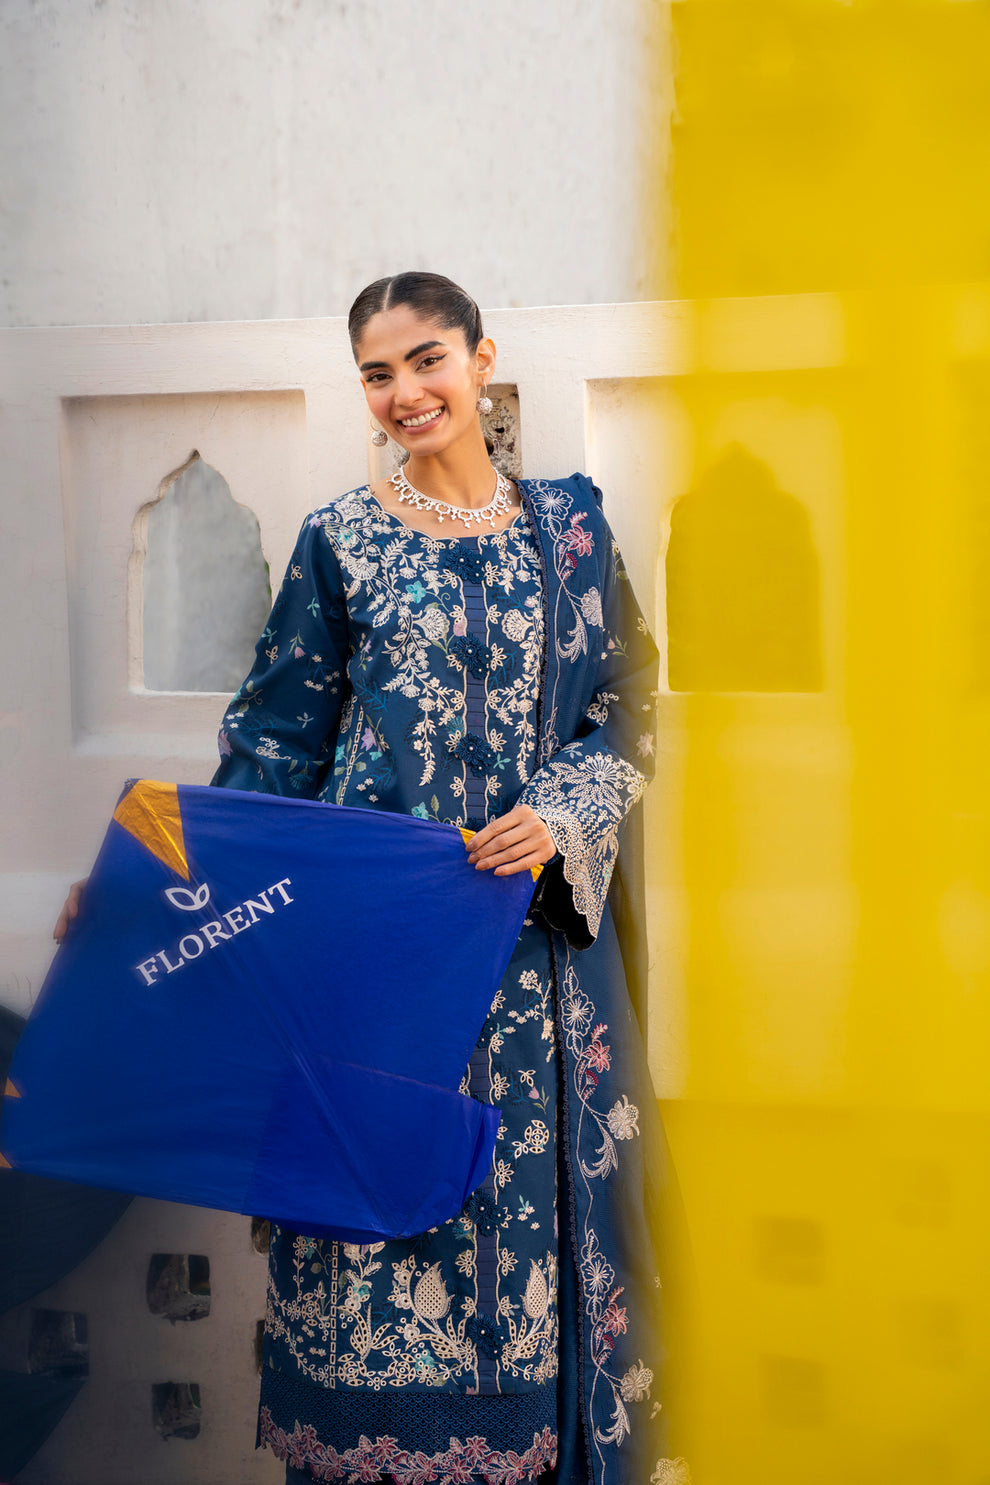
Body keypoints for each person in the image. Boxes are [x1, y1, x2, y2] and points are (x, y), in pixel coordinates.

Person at [57, 271, 674, 1485]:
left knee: (527, 1241)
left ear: (481, 360)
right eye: (378, 375)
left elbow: (631, 705)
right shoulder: (340, 540)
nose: (406, 393)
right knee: (373, 1223)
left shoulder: (570, 531)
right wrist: (151, 887)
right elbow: (272, 746)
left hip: (534, 973)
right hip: (371, 963)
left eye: (427, 360)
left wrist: (560, 812)